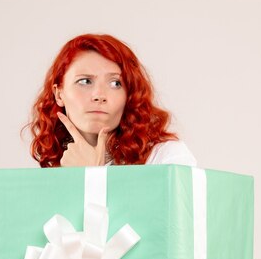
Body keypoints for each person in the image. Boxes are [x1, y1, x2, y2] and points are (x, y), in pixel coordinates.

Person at [25, 34, 196, 167]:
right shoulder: (60, 166)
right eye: (84, 81)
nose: (99, 95)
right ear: (59, 94)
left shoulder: (167, 157)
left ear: (129, 94)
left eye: (115, 83)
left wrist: (91, 176)